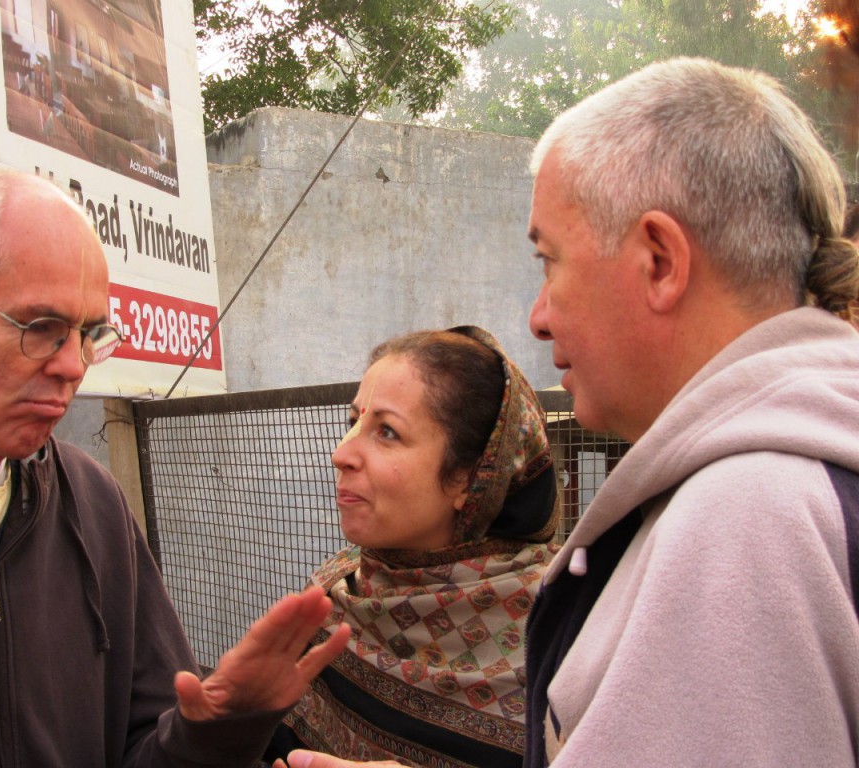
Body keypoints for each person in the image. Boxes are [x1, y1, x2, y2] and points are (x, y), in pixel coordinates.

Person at [275, 55, 859, 768]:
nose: (539, 316)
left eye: (549, 261)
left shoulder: (746, 519)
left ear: (660, 261)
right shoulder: (799, 477)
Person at [0, 164, 349, 766]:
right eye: (42, 328)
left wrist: (216, 731)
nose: (73, 366)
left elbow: (145, 745)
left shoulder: (92, 502)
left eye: (89, 334)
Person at [266, 326, 560, 768]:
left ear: (470, 477)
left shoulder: (562, 632)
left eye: (386, 432)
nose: (341, 453)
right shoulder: (331, 599)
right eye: (353, 423)